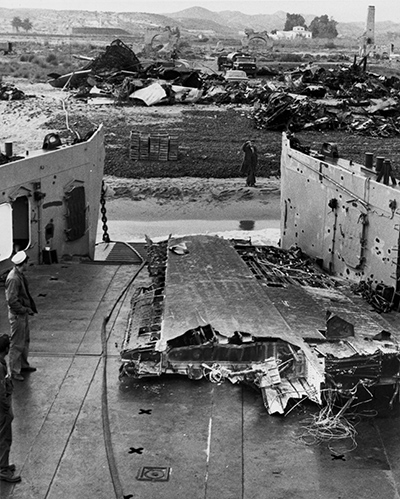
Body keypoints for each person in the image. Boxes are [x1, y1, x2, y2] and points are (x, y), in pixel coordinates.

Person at [5, 251, 37, 382]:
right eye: (27, 263)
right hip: (18, 315)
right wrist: (23, 310)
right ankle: (14, 371)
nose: (28, 265)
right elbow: (12, 301)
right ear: (22, 264)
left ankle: (23, 365)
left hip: (22, 314)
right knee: (17, 343)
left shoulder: (19, 275)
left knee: (24, 340)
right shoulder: (13, 278)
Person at [0, 334, 21, 483]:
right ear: (7, 349)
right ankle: (3, 469)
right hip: (2, 409)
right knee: (4, 437)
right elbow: (1, 392)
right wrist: (8, 409)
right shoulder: (0, 367)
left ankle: (3, 464)